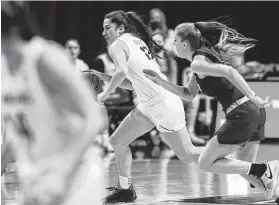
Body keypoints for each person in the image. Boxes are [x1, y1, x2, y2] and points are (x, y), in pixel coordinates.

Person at [143, 20, 279, 202]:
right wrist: (160, 82)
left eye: (174, 40)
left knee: (205, 162)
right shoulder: (200, 61)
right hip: (254, 112)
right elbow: (188, 94)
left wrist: (253, 95)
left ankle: (265, 168)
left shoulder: (197, 63)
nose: (172, 44)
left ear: (184, 44)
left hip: (243, 111)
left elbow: (230, 72)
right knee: (245, 169)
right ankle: (274, 187)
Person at [87, 10, 204, 204]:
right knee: (117, 141)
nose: (104, 32)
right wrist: (102, 77)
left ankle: (228, 155)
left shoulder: (116, 45)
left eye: (107, 28)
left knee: (189, 155)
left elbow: (122, 72)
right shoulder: (134, 40)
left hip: (163, 105)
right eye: (103, 29)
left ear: (121, 28)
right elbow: (133, 83)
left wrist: (103, 95)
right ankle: (125, 190)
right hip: (151, 103)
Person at [1, 1, 105, 205]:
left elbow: (94, 118)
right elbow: (19, 129)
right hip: (37, 178)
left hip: (75, 177)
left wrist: (61, 174)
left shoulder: (43, 58)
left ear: (11, 28)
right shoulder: (4, 68)